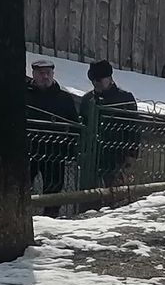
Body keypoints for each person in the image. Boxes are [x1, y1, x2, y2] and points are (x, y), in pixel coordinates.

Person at [26, 59, 82, 199]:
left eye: (48, 73)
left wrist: (69, 148)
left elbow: (74, 125)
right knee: (22, 186)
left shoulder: (64, 98)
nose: (45, 76)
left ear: (53, 74)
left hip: (54, 151)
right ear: (33, 74)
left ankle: (51, 213)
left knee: (54, 190)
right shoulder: (23, 95)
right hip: (28, 150)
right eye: (41, 73)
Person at [85, 60, 142, 189]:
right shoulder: (88, 100)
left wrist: (131, 155)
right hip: (92, 157)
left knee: (115, 192)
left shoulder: (124, 99)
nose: (96, 83)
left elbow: (133, 128)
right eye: (93, 80)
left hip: (117, 156)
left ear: (109, 78)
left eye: (99, 80)